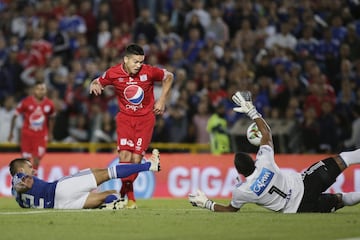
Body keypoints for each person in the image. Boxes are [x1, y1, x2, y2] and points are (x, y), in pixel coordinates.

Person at [189, 91, 360, 213]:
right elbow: (267, 133)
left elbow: (229, 210)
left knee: (342, 199)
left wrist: (207, 204)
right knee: (343, 159)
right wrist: (251, 111)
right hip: (306, 183)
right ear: (253, 160)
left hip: (298, 209)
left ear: (240, 173)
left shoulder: (242, 191)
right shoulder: (265, 162)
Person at [89, 43, 173, 208]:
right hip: (125, 119)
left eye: (141, 62)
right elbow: (98, 81)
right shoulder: (114, 73)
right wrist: (94, 84)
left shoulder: (148, 71)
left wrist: (162, 99)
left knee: (135, 160)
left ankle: (122, 194)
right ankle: (131, 199)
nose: (138, 65)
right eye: (135, 62)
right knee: (124, 159)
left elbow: (169, 76)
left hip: (145, 120)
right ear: (125, 59)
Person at [9, 149, 160, 209]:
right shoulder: (20, 178)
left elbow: (19, 190)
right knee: (108, 173)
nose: (32, 169)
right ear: (21, 170)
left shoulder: (17, 197)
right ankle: (149, 166)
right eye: (29, 167)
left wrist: (20, 187)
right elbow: (21, 184)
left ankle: (107, 206)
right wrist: (22, 182)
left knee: (113, 195)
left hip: (61, 206)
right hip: (61, 189)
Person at [8, 81, 56, 172]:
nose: (40, 91)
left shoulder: (49, 104)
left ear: (45, 91)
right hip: (27, 135)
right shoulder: (26, 102)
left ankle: (34, 179)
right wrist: (11, 133)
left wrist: (50, 133)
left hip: (40, 136)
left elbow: (52, 118)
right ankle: (27, 179)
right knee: (26, 161)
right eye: (38, 89)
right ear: (34, 90)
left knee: (37, 160)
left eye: (43, 89)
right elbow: (14, 116)